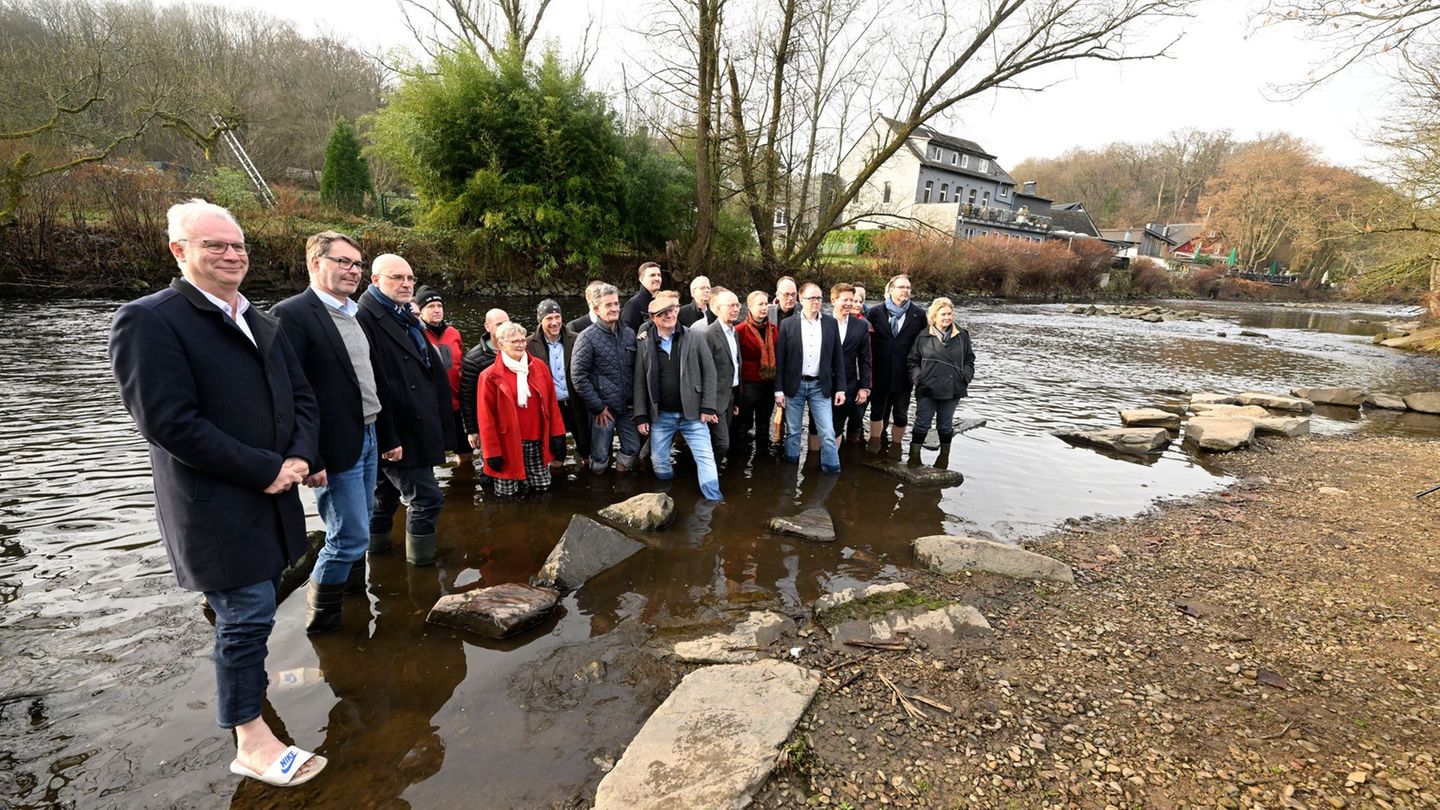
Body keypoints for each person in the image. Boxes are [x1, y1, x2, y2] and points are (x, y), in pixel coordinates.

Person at [109, 199, 326, 786]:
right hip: (215, 505)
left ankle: (247, 684)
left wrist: (302, 455)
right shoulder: (148, 320)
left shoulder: (261, 319)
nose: (232, 255)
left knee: (254, 608)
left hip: (274, 492)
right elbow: (169, 423)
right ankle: (250, 739)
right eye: (215, 245)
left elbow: (301, 398)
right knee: (245, 614)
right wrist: (267, 468)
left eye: (237, 245)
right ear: (179, 251)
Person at [270, 231, 385, 634]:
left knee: (361, 525)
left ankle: (353, 595)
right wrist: (310, 456)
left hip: (368, 434)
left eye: (357, 264)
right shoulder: (292, 314)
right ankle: (322, 623)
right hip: (333, 446)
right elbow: (286, 393)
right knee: (347, 534)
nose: (352, 270)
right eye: (342, 262)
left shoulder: (354, 313)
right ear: (315, 263)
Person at [357, 254, 454, 567]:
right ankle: (420, 569)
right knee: (427, 499)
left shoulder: (402, 314)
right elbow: (371, 383)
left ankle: (378, 559)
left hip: (414, 423)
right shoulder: (365, 317)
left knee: (383, 498)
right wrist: (387, 437)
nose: (406, 284)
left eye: (410, 279)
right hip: (397, 430)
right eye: (397, 278)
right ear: (375, 280)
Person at [632, 291, 723, 500]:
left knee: (705, 457)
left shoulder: (696, 337)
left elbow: (710, 372)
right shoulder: (644, 342)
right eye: (662, 313)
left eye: (672, 310)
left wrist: (708, 407)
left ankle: (714, 499)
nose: (669, 315)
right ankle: (666, 495)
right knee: (659, 460)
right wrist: (641, 415)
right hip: (661, 415)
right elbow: (639, 381)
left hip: (693, 414)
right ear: (653, 318)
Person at [479, 322, 568, 496]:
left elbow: (551, 403)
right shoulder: (489, 376)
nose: (520, 344)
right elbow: (485, 418)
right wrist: (491, 452)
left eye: (522, 340)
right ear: (501, 344)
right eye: (514, 341)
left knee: (542, 487)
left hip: (537, 438)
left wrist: (557, 434)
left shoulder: (539, 367)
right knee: (507, 493)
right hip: (507, 442)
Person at [774, 282, 846, 473]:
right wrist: (778, 390)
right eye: (811, 298)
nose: (816, 302)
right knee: (793, 433)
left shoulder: (830, 323)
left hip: (819, 386)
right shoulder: (788, 325)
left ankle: (832, 472)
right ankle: (789, 471)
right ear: (801, 299)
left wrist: (840, 388)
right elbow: (780, 360)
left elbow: (837, 358)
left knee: (828, 433)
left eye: (819, 298)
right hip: (793, 386)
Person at [570, 283, 642, 473]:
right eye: (608, 305)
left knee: (633, 447)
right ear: (596, 309)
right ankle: (598, 492)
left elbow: (637, 370)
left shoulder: (629, 334)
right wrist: (598, 407)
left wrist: (636, 402)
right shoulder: (586, 337)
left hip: (627, 408)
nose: (614, 309)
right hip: (603, 410)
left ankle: (620, 483)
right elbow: (578, 376)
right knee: (600, 455)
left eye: (616, 304)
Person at [906, 296, 975, 457]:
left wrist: (965, 377)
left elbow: (970, 359)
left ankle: (944, 459)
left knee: (945, 426)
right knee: (922, 424)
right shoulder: (922, 337)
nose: (947, 318)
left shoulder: (962, 335)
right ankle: (913, 459)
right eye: (943, 314)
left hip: (953, 388)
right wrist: (918, 379)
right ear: (934, 316)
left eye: (949, 314)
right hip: (926, 388)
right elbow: (912, 361)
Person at [866, 273, 927, 448]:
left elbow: (924, 344)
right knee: (878, 412)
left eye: (908, 287)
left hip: (904, 373)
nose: (905, 290)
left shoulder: (918, 314)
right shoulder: (875, 312)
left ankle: (896, 448)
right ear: (891, 290)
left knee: (901, 414)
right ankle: (875, 445)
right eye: (901, 287)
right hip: (879, 371)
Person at [527, 298, 589, 464]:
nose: (554, 322)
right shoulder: (528, 344)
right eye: (549, 318)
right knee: (556, 452)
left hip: (577, 403)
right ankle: (559, 484)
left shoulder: (577, 339)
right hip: (551, 406)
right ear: (540, 321)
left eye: (557, 317)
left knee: (587, 449)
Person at [414, 285, 469, 462]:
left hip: (457, 404)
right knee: (432, 455)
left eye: (439, 306)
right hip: (432, 406)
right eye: (431, 307)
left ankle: (463, 483)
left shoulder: (453, 333)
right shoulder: (417, 334)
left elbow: (460, 362)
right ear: (420, 311)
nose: (437, 310)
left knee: (466, 452)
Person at [733, 290, 778, 459]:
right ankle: (739, 457)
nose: (764, 308)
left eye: (766, 304)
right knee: (743, 425)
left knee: (764, 424)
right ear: (749, 307)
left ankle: (762, 457)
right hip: (748, 385)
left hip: (768, 384)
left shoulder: (773, 329)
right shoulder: (740, 330)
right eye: (760, 304)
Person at [459, 308, 509, 459]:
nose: (504, 328)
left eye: (507, 323)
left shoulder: (519, 348)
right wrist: (472, 430)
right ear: (488, 327)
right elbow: (467, 397)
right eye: (499, 324)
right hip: (490, 422)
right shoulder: (473, 359)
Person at [701, 289, 742, 460]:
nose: (736, 309)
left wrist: (736, 399)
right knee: (722, 444)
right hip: (715, 400)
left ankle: (711, 475)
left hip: (730, 397)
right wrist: (707, 406)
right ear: (717, 309)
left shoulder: (734, 332)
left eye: (737, 305)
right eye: (731, 305)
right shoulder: (709, 334)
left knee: (723, 442)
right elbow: (704, 373)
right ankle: (707, 475)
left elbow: (734, 366)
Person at [832, 282, 872, 445]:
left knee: (838, 426)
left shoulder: (861, 325)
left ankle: (832, 463)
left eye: (852, 300)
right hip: (824, 383)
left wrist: (864, 387)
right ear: (833, 300)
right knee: (816, 426)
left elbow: (865, 359)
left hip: (849, 382)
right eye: (846, 300)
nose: (849, 304)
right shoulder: (823, 321)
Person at [621, 261, 664, 332]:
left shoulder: (663, 301)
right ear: (641, 279)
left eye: (659, 275)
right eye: (652, 275)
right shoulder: (633, 304)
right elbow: (626, 334)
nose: (657, 278)